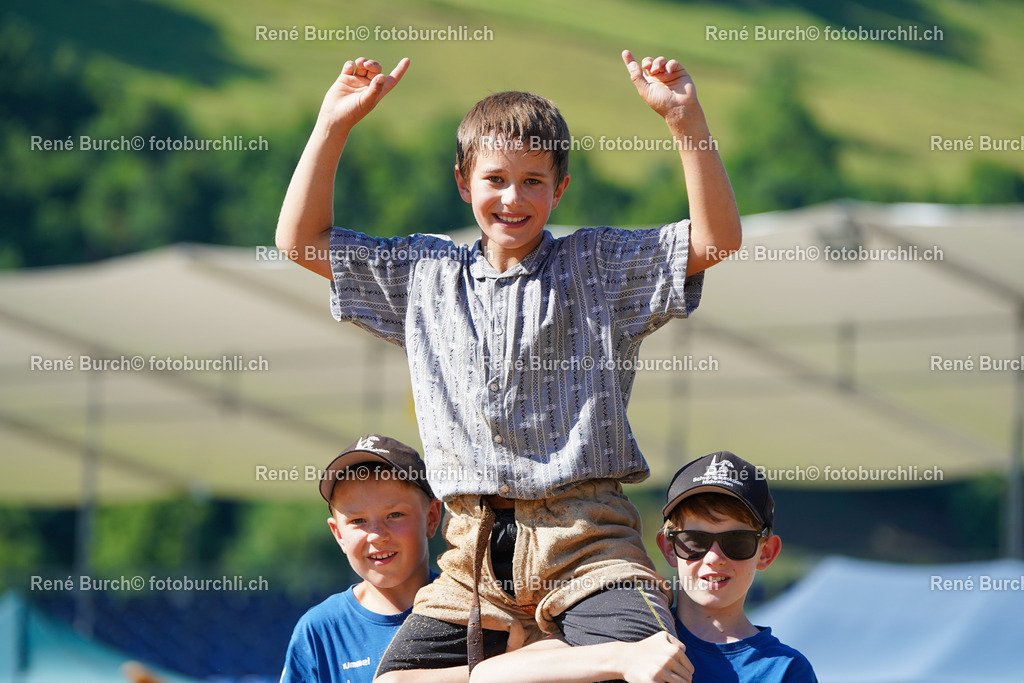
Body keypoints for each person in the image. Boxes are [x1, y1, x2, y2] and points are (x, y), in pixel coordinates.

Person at [275, 49, 741, 681]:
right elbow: (299, 242)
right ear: (464, 183)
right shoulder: (424, 274)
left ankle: (569, 658)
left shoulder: (597, 265)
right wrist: (333, 125)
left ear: (560, 188)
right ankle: (535, 665)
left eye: (532, 182)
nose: (512, 198)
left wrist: (686, 122)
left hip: (586, 543)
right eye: (495, 179)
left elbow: (715, 240)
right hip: (472, 558)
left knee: (658, 670)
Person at [469, 451, 817, 683]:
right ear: (668, 548)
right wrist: (623, 658)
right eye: (694, 542)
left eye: (737, 542)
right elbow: (489, 676)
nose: (714, 558)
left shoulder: (785, 670)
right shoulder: (631, 630)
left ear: (767, 552)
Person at [279, 435, 442, 683]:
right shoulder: (320, 631)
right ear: (338, 534)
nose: (377, 535)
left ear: (431, 518)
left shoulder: (470, 610)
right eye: (358, 521)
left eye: (395, 515)